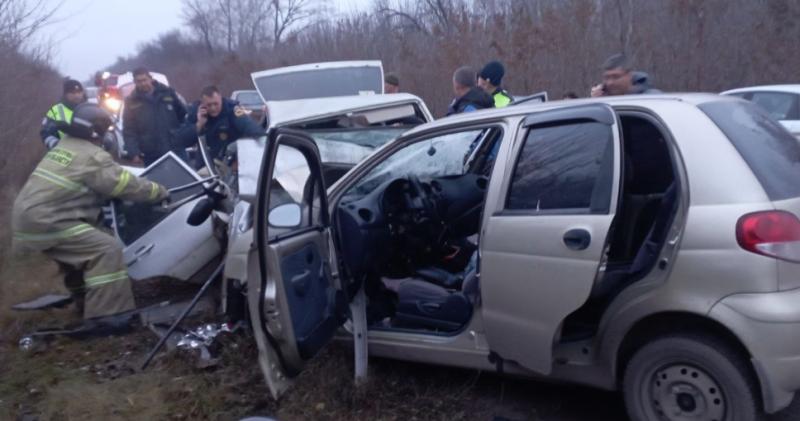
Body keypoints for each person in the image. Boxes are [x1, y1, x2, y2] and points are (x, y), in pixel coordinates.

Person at [13, 103, 168, 333]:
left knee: (81, 251)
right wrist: (159, 192)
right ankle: (107, 317)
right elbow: (124, 185)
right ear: (97, 132)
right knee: (106, 249)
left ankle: (84, 302)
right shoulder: (93, 156)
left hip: (28, 219)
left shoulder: (66, 145)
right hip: (49, 220)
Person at [176, 85, 263, 162]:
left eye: (216, 104)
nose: (213, 108)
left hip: (228, 163)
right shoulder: (196, 112)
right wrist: (199, 125)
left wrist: (237, 148)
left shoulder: (232, 110)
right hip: (205, 163)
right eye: (209, 105)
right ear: (202, 103)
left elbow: (253, 130)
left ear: (221, 99)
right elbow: (182, 141)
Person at [123, 67, 187, 166]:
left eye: (144, 80)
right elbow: (129, 130)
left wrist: (182, 136)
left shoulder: (168, 92)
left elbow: (182, 115)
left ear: (150, 78)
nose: (143, 83)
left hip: (176, 149)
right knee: (157, 182)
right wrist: (134, 152)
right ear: (134, 82)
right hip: (151, 154)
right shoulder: (131, 102)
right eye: (139, 81)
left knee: (185, 180)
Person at [40, 79, 87, 150]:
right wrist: (54, 144)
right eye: (73, 93)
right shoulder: (56, 110)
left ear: (83, 93)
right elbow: (46, 133)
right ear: (66, 94)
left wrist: (107, 137)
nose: (77, 95)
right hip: (66, 152)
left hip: (89, 151)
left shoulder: (90, 108)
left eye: (79, 92)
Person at [591, 53, 662, 97]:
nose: (610, 83)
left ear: (629, 75)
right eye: (607, 78)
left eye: (616, 77)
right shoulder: (605, 99)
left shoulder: (651, 98)